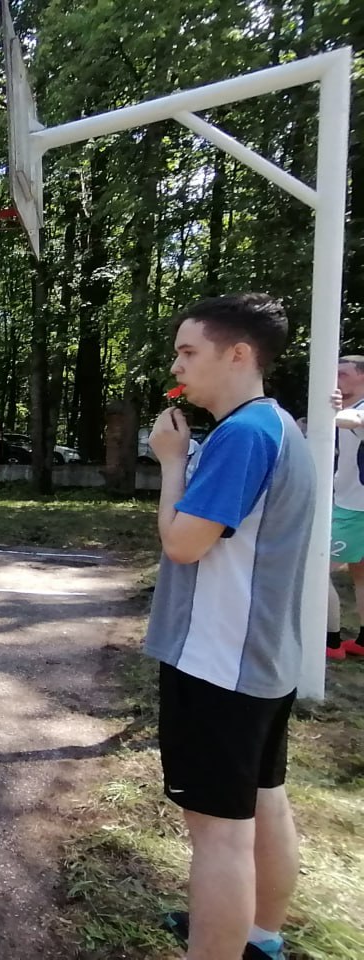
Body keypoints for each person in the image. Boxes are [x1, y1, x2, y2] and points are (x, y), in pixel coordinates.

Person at [145, 294, 312, 960]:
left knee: (219, 835)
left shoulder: (241, 435)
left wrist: (170, 463)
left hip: (216, 662)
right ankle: (259, 936)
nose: (178, 366)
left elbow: (184, 543)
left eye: (189, 352)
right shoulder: (276, 426)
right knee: (263, 798)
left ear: (238, 354)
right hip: (262, 660)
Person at [326, 356, 364, 660]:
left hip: (353, 511)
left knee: (314, 570)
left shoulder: (357, 411)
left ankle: (331, 641)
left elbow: (354, 421)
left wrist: (329, 411)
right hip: (353, 505)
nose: (335, 378)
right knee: (361, 576)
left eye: (342, 373)